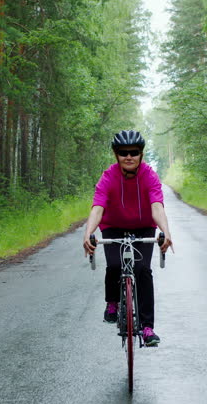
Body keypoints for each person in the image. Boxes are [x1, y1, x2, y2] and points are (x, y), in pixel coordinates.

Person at [83, 130, 173, 346]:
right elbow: (97, 208)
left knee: (142, 270)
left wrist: (166, 232)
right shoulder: (108, 177)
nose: (129, 156)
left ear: (141, 154)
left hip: (143, 228)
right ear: (117, 155)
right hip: (113, 226)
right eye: (123, 153)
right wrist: (88, 233)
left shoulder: (149, 175)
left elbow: (157, 207)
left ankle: (148, 327)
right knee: (114, 264)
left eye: (134, 152)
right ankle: (112, 303)